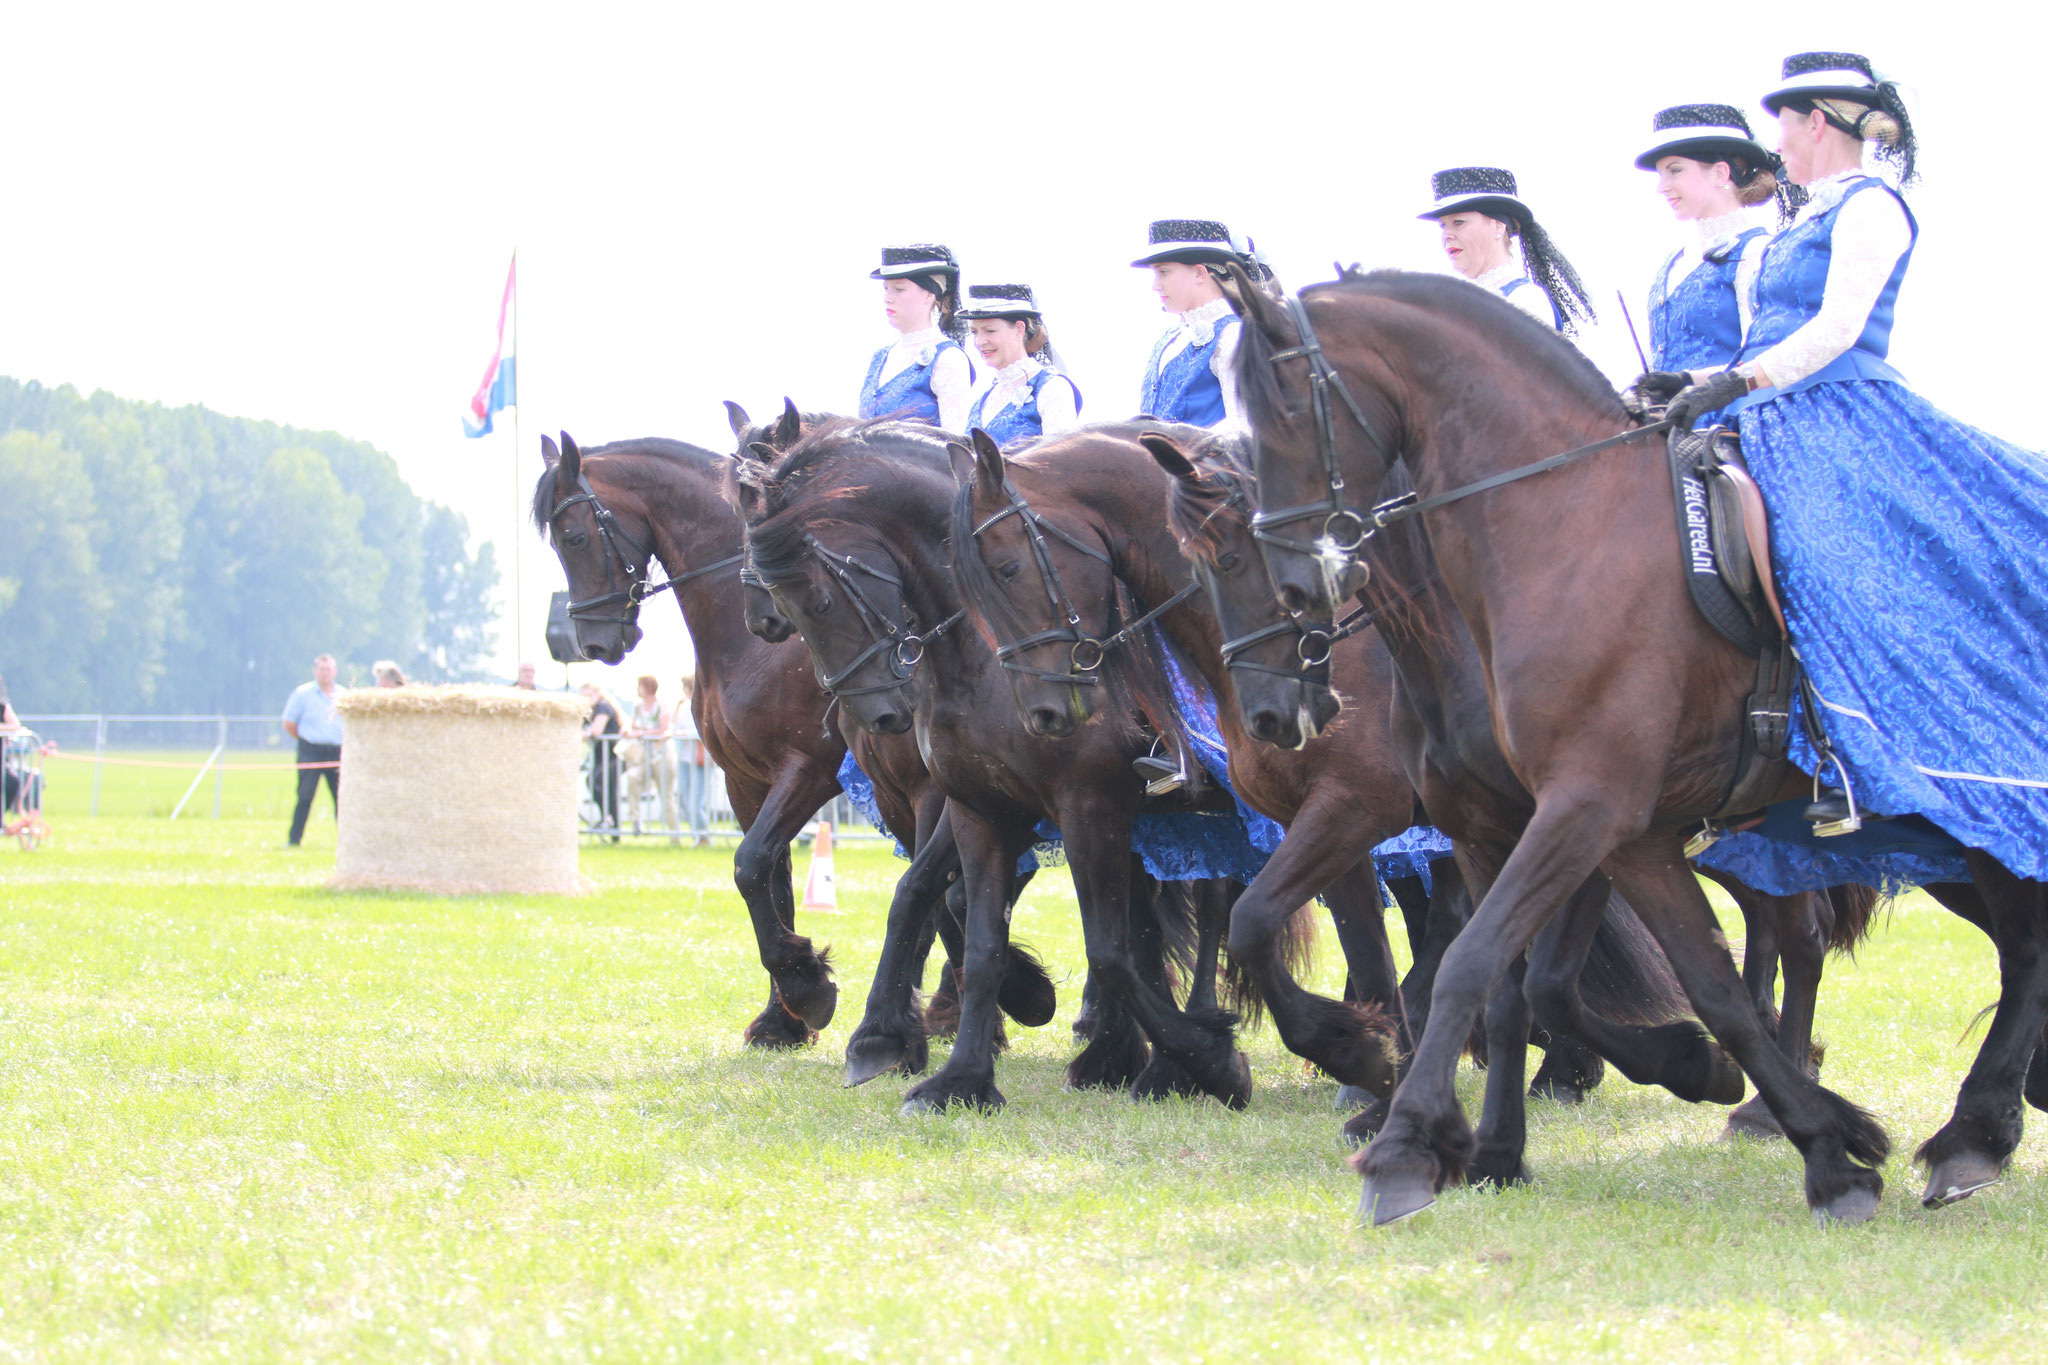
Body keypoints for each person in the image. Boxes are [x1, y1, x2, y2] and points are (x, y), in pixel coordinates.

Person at [1651, 51, 2048, 876]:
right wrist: (1680, 382)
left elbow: (1834, 330)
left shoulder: (1873, 208)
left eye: (1785, 127)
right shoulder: (1791, 224)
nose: (1778, 146)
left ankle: (1842, 756)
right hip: (1761, 417)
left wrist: (1735, 378)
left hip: (1843, 416)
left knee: (1821, 562)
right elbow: (1758, 337)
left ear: (1815, 124)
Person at [1629, 106, 1779, 382]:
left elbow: (1763, 362)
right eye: (1661, 174)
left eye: (1675, 171)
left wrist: (1686, 383)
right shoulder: (1673, 262)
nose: (1662, 186)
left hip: (1734, 421)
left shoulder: (1756, 251)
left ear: (1720, 173)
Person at [1417, 166, 1594, 334]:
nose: (1446, 235)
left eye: (1458, 222)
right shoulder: (1453, 303)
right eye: (1443, 226)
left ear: (1498, 227)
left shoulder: (1526, 300)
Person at [1132, 218, 1252, 428]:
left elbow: (1243, 425)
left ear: (1199, 273)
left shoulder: (1232, 335)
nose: (1155, 286)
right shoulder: (1171, 337)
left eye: (1164, 272)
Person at [859, 244, 974, 431]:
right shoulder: (880, 357)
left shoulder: (948, 357)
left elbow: (957, 442)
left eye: (899, 289)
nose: (887, 298)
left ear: (929, 295)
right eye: (886, 289)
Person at [960, 284, 1082, 447]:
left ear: (1019, 329)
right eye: (974, 332)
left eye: (989, 331)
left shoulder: (1051, 388)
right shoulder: (983, 398)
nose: (979, 341)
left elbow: (1061, 464)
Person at [281, 653, 343, 847]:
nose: (325, 673)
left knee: (342, 799)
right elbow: (289, 723)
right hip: (311, 751)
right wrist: (306, 740)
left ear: (335, 672)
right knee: (305, 796)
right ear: (315, 671)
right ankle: (294, 840)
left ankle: (346, 843)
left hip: (336, 752)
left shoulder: (344, 695)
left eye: (329, 669)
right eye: (321, 669)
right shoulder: (302, 694)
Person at [624, 674, 680, 844]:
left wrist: (640, 733)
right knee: (632, 778)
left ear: (647, 688)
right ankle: (636, 820)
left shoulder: (661, 706)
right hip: (644, 757)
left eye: (639, 686)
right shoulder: (637, 707)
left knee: (666, 796)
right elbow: (633, 727)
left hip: (662, 757)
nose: (637, 689)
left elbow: (662, 729)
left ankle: (675, 836)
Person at [673, 675, 713, 847]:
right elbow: (675, 728)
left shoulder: (705, 705)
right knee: (685, 797)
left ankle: (702, 835)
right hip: (685, 758)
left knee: (696, 800)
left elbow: (703, 730)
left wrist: (686, 734)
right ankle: (696, 834)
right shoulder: (682, 706)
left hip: (700, 760)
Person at [581, 682, 623, 842]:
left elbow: (597, 730)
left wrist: (585, 733)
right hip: (602, 756)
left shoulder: (603, 707)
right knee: (607, 789)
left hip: (613, 756)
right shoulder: (590, 711)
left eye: (589, 695)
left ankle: (610, 820)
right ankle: (613, 827)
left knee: (596, 781)